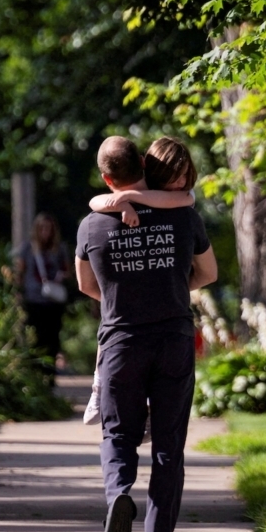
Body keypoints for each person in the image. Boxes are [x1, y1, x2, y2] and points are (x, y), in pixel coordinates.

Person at [75, 135, 217, 532]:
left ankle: (119, 494)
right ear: (142, 162)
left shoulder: (90, 226)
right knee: (169, 447)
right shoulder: (183, 214)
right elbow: (208, 273)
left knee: (118, 436)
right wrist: (170, 286)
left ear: (105, 177)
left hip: (121, 342)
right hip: (173, 339)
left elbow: (85, 286)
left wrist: (125, 293)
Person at [83, 136, 198, 426]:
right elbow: (95, 201)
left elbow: (186, 197)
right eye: (176, 175)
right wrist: (120, 203)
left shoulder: (181, 200)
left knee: (114, 326)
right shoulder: (172, 208)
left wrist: (126, 199)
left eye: (186, 175)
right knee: (111, 326)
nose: (181, 182)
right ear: (146, 166)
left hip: (131, 329)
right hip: (166, 324)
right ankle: (100, 385)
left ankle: (106, 388)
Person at [14, 212, 69, 376]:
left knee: (52, 339)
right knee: (34, 339)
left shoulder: (60, 249)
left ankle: (49, 375)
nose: (46, 232)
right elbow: (20, 273)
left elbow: (68, 271)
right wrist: (18, 295)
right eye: (42, 228)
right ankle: (35, 374)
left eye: (49, 229)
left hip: (53, 302)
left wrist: (61, 276)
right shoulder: (27, 249)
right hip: (33, 300)